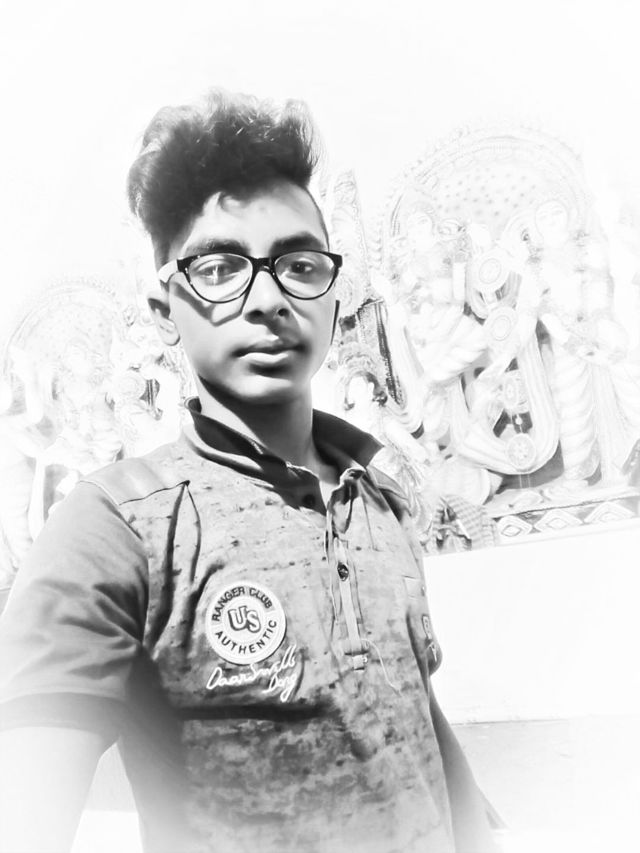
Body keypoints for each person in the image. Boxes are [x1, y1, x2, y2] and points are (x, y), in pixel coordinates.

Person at [0, 90, 497, 853]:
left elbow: (414, 720)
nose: (268, 298)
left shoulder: (380, 497)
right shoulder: (111, 531)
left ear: (334, 293)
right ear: (164, 308)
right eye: (221, 267)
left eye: (299, 264)